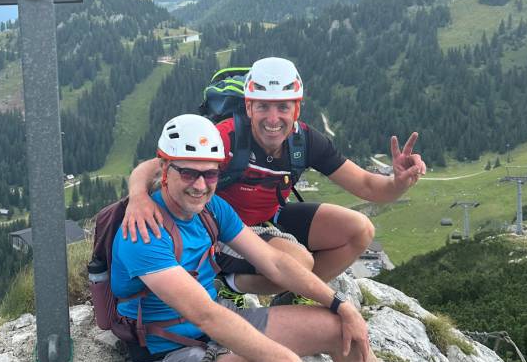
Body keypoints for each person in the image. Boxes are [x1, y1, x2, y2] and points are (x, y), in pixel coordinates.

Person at [111, 114, 473, 362]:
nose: (201, 184)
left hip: (216, 331)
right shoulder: (143, 232)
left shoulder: (212, 209)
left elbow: (275, 263)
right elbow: (205, 315)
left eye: (210, 174)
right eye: (188, 173)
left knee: (337, 327)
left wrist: (338, 305)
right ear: (164, 170)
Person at [122, 57, 426, 301]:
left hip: (268, 220)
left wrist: (398, 182)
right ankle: (231, 284)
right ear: (249, 106)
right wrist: (137, 197)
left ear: (296, 107)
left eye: (283, 106)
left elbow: (369, 186)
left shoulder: (305, 141)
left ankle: (294, 296)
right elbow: (156, 165)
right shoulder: (225, 136)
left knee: (360, 230)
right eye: (263, 106)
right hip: (221, 231)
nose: (273, 118)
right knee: (299, 261)